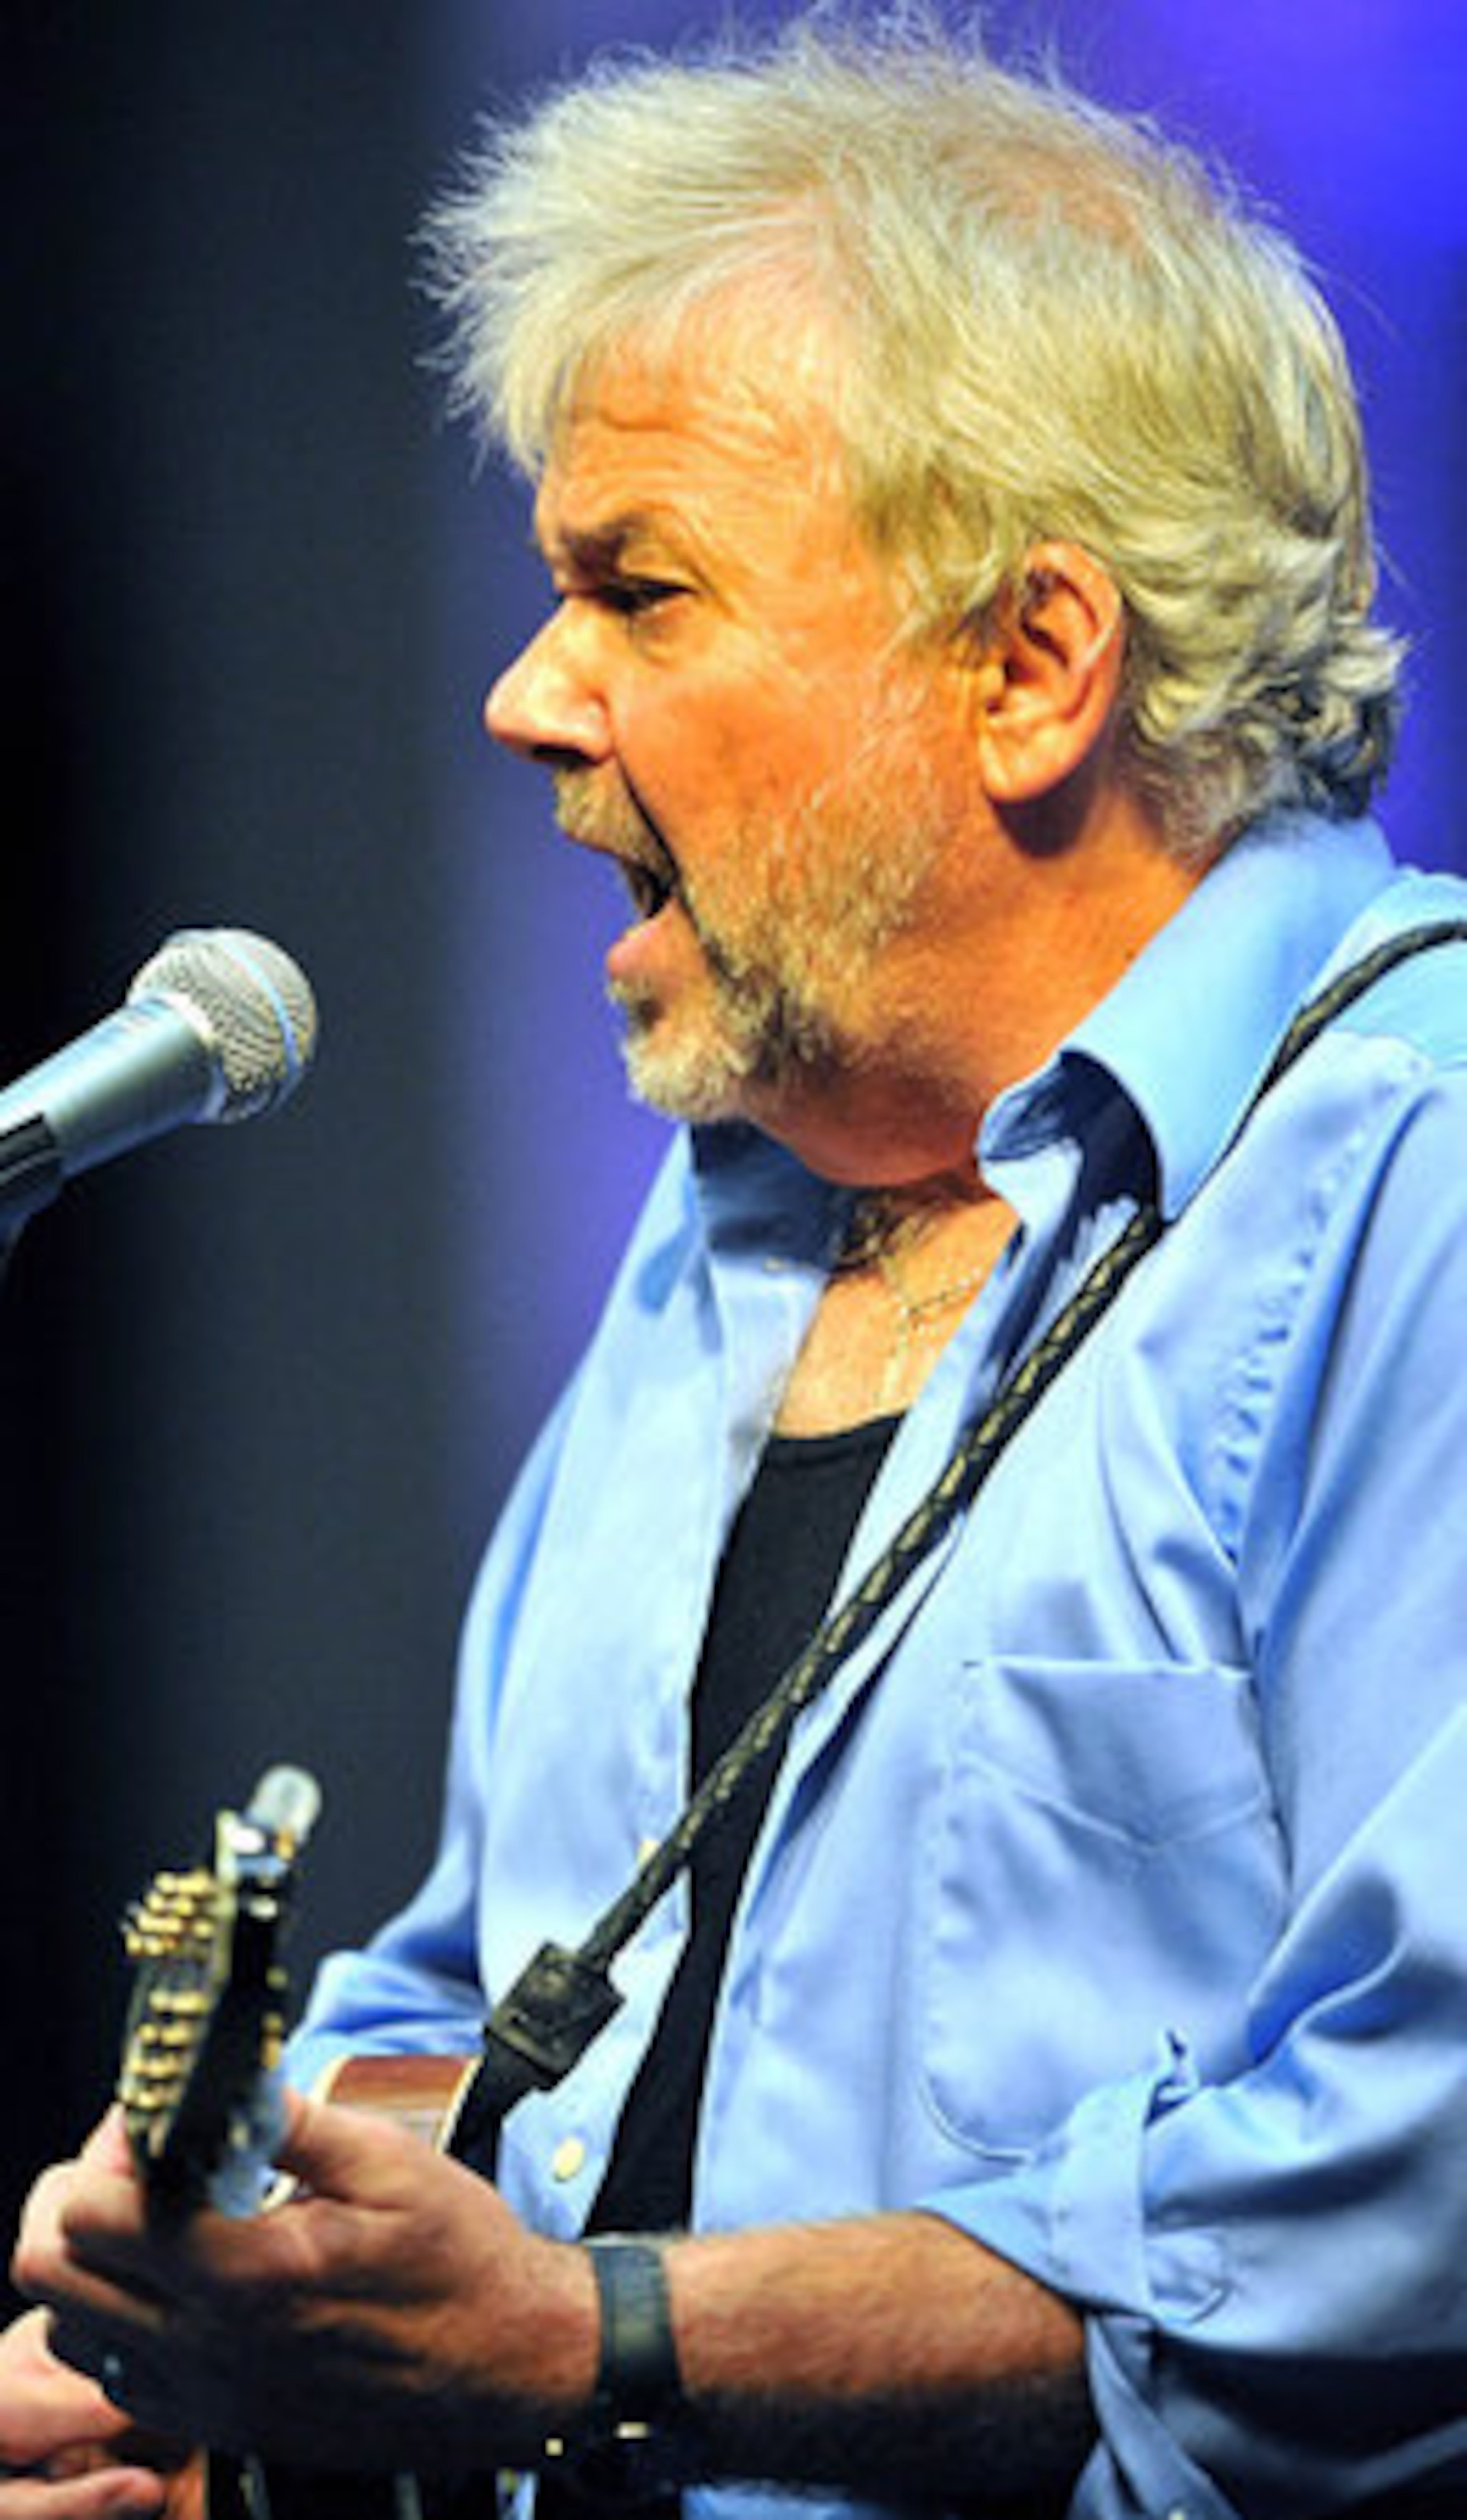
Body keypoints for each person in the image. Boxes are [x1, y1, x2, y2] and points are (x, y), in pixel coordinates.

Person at [6, 13, 1467, 2518]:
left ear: (1031, 666)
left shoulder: (1417, 1180)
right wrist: (239, 2332)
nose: (525, 696)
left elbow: (1413, 2200)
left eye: (636, 590)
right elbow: (498, 2010)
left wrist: (598, 2337)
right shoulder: (735, 1227)